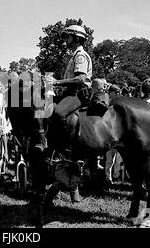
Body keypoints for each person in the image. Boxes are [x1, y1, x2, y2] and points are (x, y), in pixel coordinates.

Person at [44, 24, 92, 202]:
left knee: (58, 113)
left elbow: (80, 78)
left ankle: (66, 145)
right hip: (69, 92)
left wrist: (57, 82)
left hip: (78, 93)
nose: (65, 40)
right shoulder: (74, 55)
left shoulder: (80, 55)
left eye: (68, 37)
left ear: (76, 38)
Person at [104, 84, 124, 186]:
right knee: (109, 159)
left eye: (118, 92)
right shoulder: (107, 103)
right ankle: (108, 178)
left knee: (119, 158)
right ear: (111, 92)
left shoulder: (120, 103)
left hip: (119, 134)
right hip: (109, 134)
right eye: (115, 92)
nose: (117, 94)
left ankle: (116, 175)